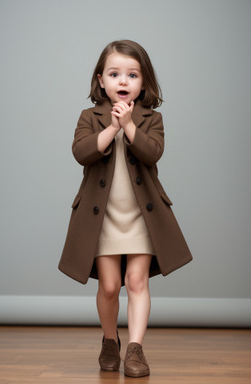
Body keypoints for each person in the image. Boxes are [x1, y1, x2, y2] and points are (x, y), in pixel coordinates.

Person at [59, 40, 192, 378]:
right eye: (114, 74)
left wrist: (130, 125)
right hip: (101, 219)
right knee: (108, 285)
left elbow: (152, 153)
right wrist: (114, 127)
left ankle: (135, 349)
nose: (123, 81)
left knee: (136, 282)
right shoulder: (89, 117)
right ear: (100, 80)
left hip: (141, 218)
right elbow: (82, 152)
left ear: (143, 82)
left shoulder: (152, 118)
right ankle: (109, 341)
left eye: (132, 74)